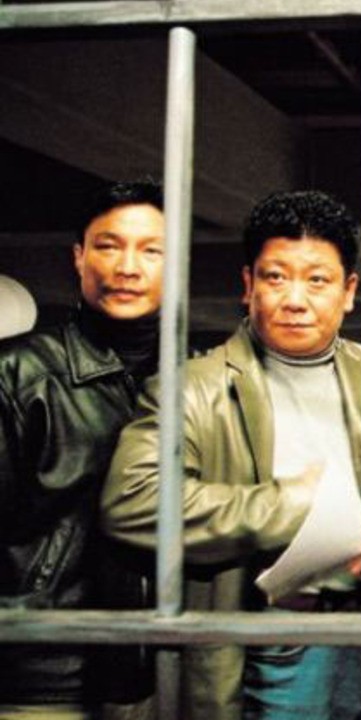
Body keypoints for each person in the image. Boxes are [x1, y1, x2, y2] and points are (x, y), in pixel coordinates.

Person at [102, 190, 361, 720]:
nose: (295, 299)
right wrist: (296, 506)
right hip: (269, 636)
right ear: (249, 285)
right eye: (276, 277)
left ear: (348, 291)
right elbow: (132, 501)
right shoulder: (191, 386)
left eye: (317, 280)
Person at [0, 179, 163, 720]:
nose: (127, 267)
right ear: (79, 257)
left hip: (158, 672)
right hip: (41, 678)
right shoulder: (20, 376)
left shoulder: (190, 383)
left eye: (152, 250)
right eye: (109, 246)